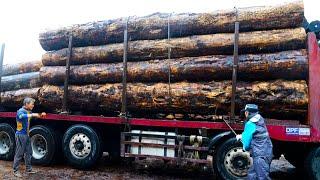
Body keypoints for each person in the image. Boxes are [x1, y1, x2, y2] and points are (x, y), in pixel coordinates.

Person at [236, 104, 273, 180]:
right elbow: (255, 133)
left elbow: (246, 146)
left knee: (262, 177)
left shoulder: (250, 124)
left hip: (260, 156)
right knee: (252, 175)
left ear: (247, 113)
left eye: (246, 112)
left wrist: (241, 138)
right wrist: (242, 136)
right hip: (267, 151)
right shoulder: (260, 119)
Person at [13, 97, 46, 178]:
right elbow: (21, 116)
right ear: (27, 104)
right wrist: (32, 114)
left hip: (26, 135)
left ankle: (28, 169)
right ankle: (15, 170)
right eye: (32, 104)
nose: (33, 105)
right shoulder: (20, 111)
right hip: (20, 135)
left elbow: (33, 116)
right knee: (19, 153)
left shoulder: (28, 111)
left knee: (29, 152)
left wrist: (40, 115)